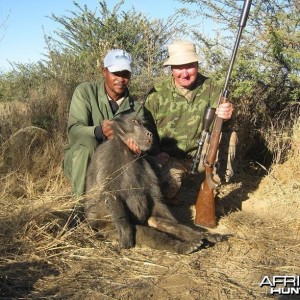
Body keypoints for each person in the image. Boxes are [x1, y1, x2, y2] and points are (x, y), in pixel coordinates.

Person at [144, 40, 237, 204]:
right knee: (164, 191)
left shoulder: (211, 87)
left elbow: (223, 125)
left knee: (230, 136)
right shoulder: (157, 93)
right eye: (179, 67)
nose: (184, 73)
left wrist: (227, 115)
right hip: (170, 159)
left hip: (202, 155)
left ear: (197, 65)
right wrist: (156, 152)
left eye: (189, 66)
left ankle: (214, 182)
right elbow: (146, 128)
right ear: (171, 68)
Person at [63, 49, 143, 197]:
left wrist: (137, 150)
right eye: (115, 73)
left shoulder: (136, 108)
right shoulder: (85, 92)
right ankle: (78, 205)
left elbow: (142, 143)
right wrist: (99, 131)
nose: (121, 79)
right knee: (87, 143)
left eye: (125, 74)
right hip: (82, 161)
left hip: (113, 166)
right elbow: (74, 131)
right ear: (104, 71)